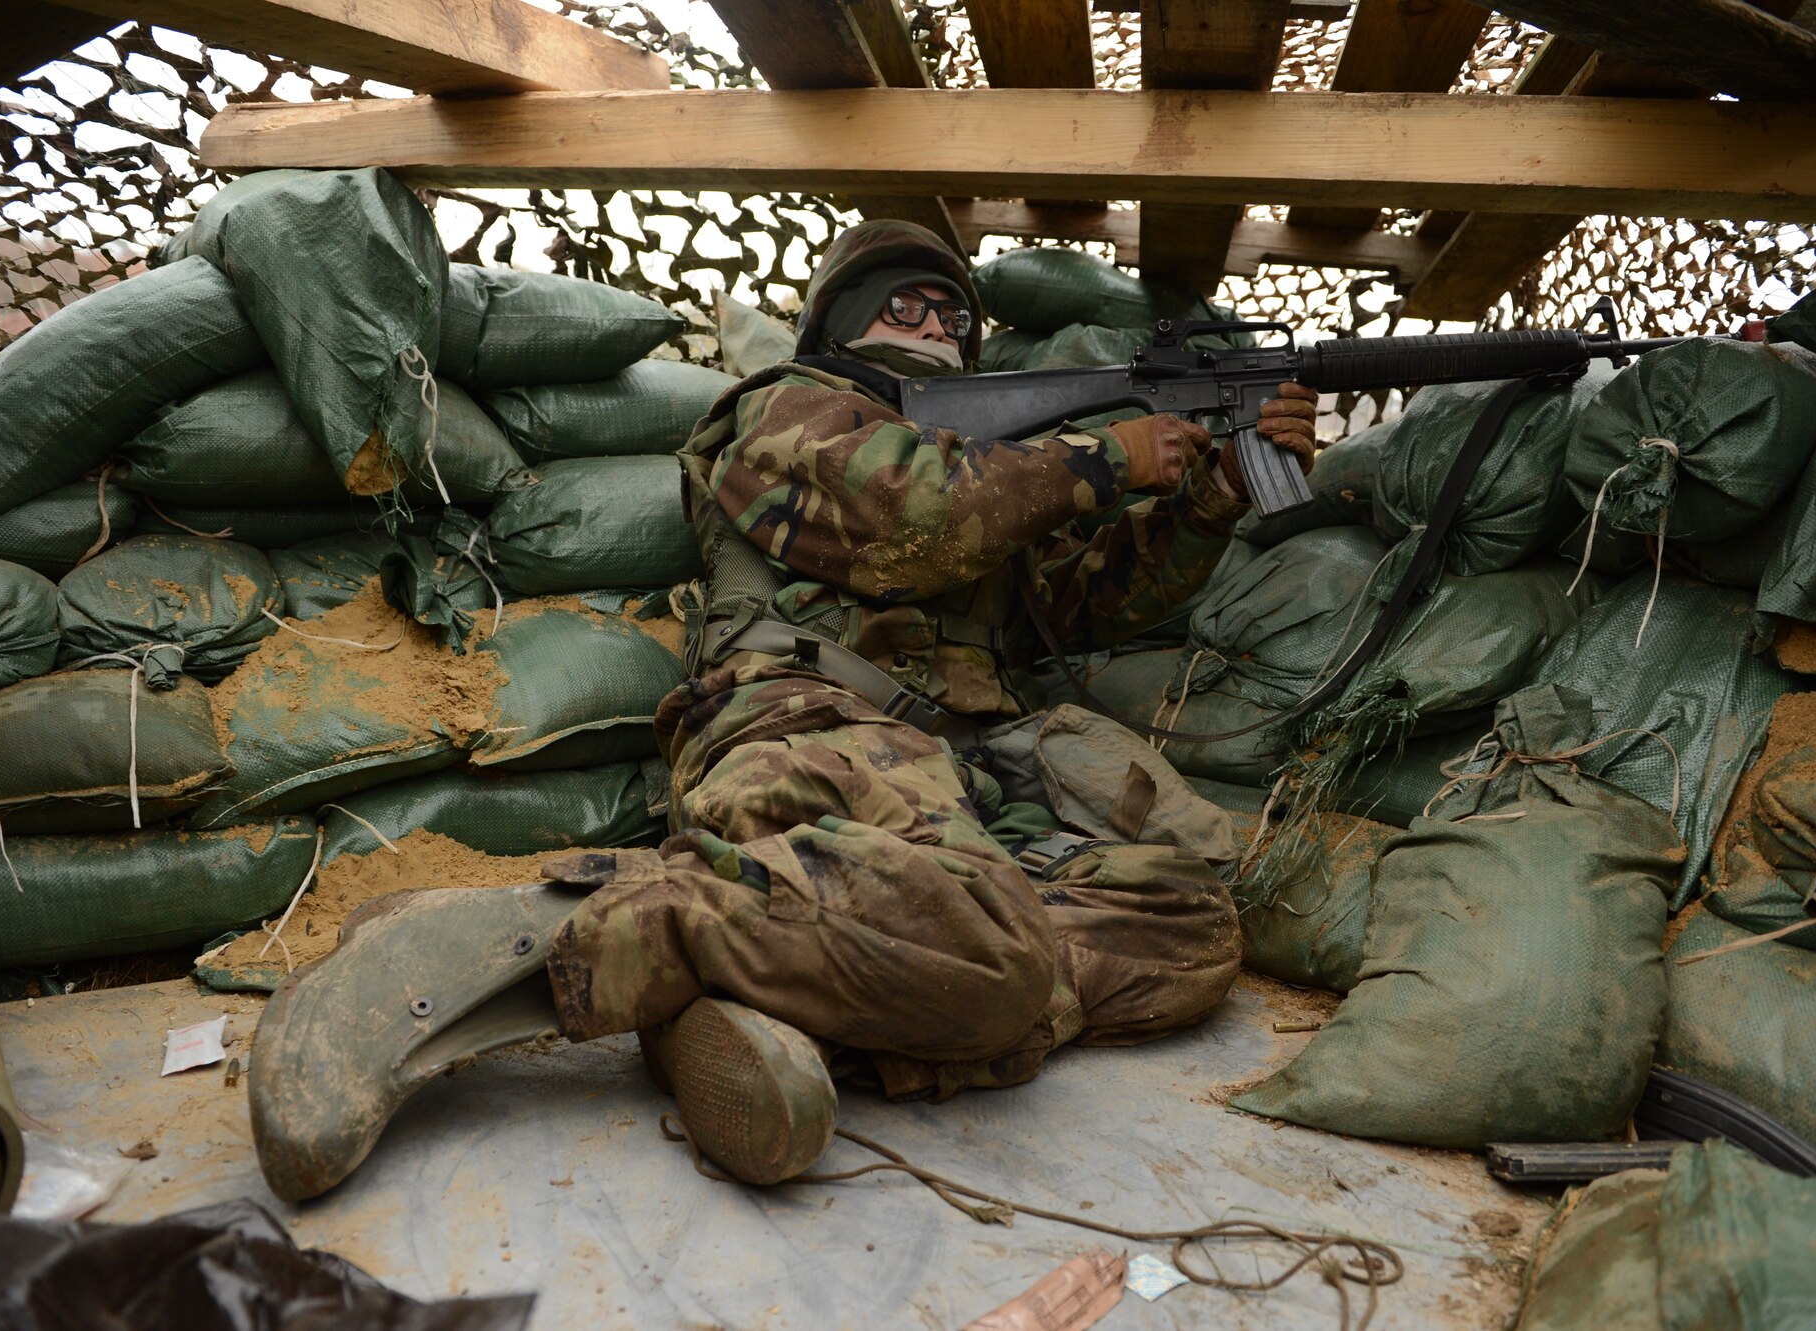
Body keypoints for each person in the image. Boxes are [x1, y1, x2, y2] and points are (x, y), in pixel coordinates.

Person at [246, 220, 1320, 1202]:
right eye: (908, 305)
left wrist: (1209, 494)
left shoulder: (1000, 482)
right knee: (999, 956)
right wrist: (1100, 456)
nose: (939, 326)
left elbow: (1079, 601)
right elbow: (916, 518)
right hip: (809, 738)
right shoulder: (782, 412)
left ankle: (770, 1005)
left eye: (956, 315)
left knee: (1188, 931)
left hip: (961, 783)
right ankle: (531, 939)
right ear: (840, 325)